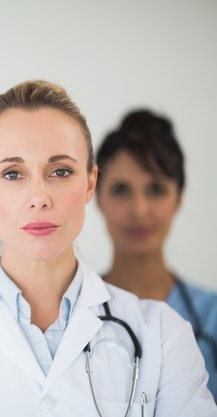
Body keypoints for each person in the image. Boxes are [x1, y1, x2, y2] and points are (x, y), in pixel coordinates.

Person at [0, 80, 217, 416]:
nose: (39, 197)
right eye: (12, 174)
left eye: (60, 171)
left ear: (90, 183)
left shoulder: (163, 337)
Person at [95, 108, 217, 399]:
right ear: (96, 196)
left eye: (156, 190)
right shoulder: (71, 313)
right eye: (122, 190)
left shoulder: (212, 317)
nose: (139, 209)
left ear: (178, 199)